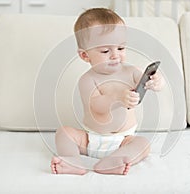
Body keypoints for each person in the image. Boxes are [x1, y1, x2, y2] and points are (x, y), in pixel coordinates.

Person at [51, 7, 163, 175]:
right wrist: (118, 97)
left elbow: (153, 83)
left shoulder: (131, 71)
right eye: (105, 51)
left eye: (121, 48)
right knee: (64, 133)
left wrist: (156, 82)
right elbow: (97, 106)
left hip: (123, 140)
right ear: (85, 56)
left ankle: (115, 161)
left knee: (143, 144)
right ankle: (73, 160)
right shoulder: (87, 80)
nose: (115, 55)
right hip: (89, 139)